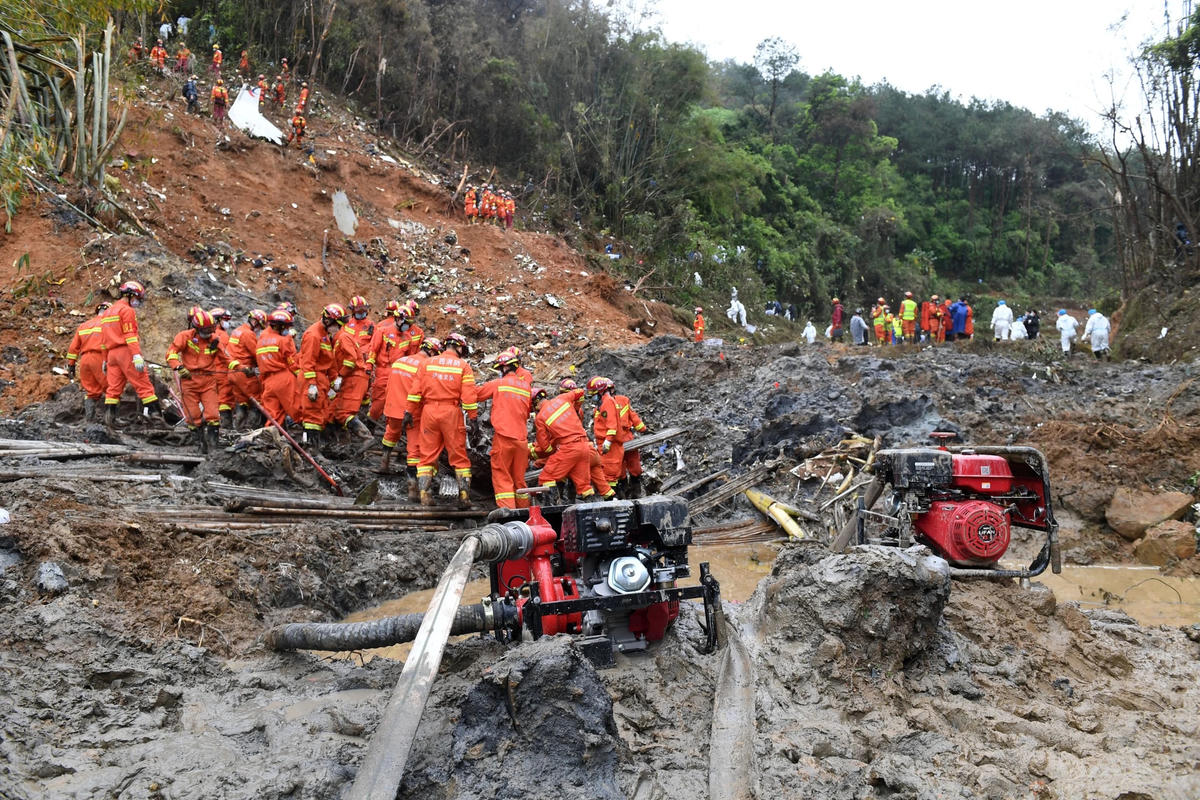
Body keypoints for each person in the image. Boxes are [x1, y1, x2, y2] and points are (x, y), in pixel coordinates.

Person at [406, 332, 477, 507]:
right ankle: (464, 497)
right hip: (451, 412)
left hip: (429, 412)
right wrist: (473, 418)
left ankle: (424, 495)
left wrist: (408, 412)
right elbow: (468, 396)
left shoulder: (426, 363)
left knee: (427, 455)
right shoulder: (463, 366)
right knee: (459, 455)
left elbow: (415, 391)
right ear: (459, 347)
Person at [475, 349, 535, 508]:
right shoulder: (526, 388)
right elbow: (527, 412)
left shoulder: (498, 384)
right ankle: (524, 515)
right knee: (519, 481)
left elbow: (476, 394)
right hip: (522, 440)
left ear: (503, 368)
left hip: (503, 438)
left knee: (503, 477)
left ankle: (508, 517)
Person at [380, 338, 440, 495]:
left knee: (391, 432)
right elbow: (423, 392)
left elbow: (388, 386)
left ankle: (384, 463)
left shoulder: (400, 361)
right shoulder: (425, 367)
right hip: (412, 413)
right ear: (432, 352)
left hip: (392, 408)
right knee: (414, 449)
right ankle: (412, 489)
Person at [100, 281, 163, 424]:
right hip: (125, 352)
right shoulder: (127, 311)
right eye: (137, 298)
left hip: (111, 355)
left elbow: (103, 340)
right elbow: (130, 335)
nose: (138, 302)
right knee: (143, 384)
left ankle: (109, 419)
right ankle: (156, 417)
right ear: (130, 295)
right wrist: (136, 355)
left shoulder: (107, 312)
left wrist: (105, 359)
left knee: (114, 388)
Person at [166, 310, 224, 453]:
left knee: (213, 414)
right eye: (206, 330)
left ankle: (213, 449)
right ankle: (199, 446)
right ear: (196, 328)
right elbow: (171, 353)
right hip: (189, 381)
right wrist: (178, 367)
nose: (209, 332)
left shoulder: (214, 340)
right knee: (193, 416)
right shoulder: (184, 337)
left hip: (208, 381)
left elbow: (227, 358)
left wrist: (241, 368)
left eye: (211, 329)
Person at [530, 387, 596, 506]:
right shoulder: (563, 398)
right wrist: (576, 409)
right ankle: (594, 511)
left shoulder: (540, 418)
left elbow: (544, 445)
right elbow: (580, 392)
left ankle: (552, 510)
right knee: (584, 486)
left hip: (569, 449)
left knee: (547, 477)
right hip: (584, 446)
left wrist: (552, 452)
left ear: (535, 404)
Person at [65, 302, 111, 422]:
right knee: (111, 388)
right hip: (100, 358)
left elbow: (73, 348)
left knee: (92, 392)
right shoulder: (108, 324)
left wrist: (71, 364)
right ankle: (110, 421)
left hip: (84, 361)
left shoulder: (84, 326)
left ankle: (89, 421)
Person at [255, 310, 299, 425]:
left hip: (267, 382)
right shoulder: (282, 341)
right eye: (286, 327)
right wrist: (301, 375)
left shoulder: (261, 341)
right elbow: (291, 362)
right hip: (284, 379)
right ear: (280, 326)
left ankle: (272, 439)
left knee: (273, 416)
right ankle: (307, 438)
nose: (287, 330)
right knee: (297, 409)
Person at [225, 309, 267, 429]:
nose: (259, 328)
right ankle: (252, 428)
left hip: (233, 371)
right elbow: (257, 353)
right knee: (257, 400)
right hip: (245, 373)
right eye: (259, 325)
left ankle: (238, 428)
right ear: (254, 322)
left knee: (241, 400)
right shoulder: (248, 334)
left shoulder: (236, 331)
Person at [587, 376, 623, 496]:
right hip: (604, 443)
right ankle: (612, 498)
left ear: (601, 391)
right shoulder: (602, 403)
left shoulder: (608, 402)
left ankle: (613, 499)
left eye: (594, 393)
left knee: (610, 474)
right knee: (606, 472)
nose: (592, 396)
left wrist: (608, 441)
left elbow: (612, 425)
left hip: (610, 445)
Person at [612, 385, 649, 498]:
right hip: (614, 441)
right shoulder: (601, 407)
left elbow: (633, 417)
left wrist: (643, 429)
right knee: (619, 469)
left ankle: (635, 493)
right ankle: (625, 493)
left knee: (634, 466)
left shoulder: (623, 400)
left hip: (623, 439)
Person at [208, 307, 235, 428]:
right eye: (224, 319)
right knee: (225, 399)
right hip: (222, 371)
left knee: (211, 399)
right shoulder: (223, 335)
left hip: (209, 373)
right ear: (217, 320)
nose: (227, 322)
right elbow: (227, 354)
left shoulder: (208, 334)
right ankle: (225, 426)